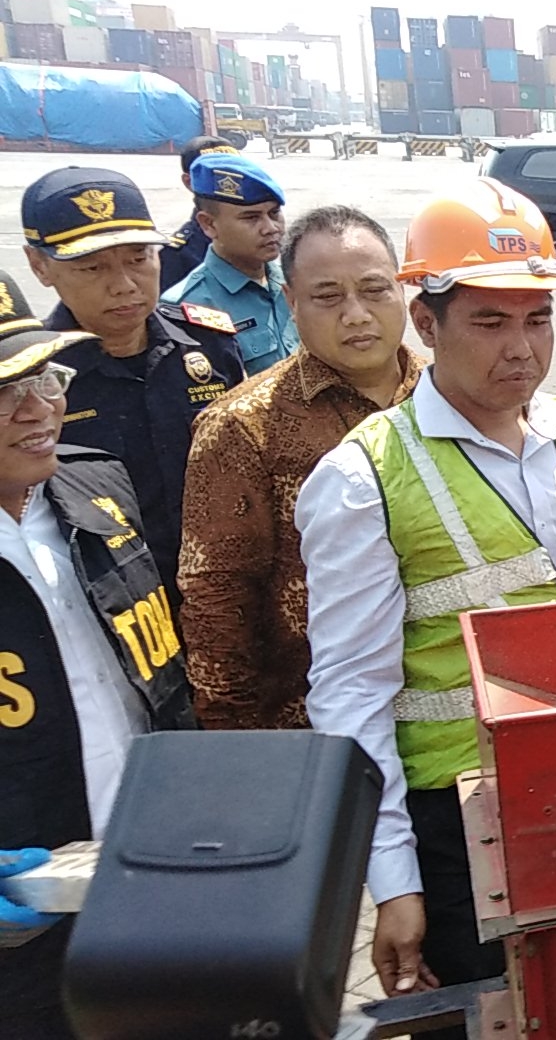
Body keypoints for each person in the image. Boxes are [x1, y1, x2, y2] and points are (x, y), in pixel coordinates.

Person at [298, 179, 556, 1022]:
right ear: (426, 323)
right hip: (463, 829)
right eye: (490, 322)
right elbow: (351, 695)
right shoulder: (363, 478)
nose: (521, 349)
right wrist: (394, 881)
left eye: (537, 318)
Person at [0, 317, 197, 1039]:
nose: (37, 409)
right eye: (4, 394)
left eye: (46, 380)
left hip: (150, 876)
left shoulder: (95, 482)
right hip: (25, 926)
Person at [179, 206, 425, 731]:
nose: (356, 314)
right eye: (328, 296)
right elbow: (217, 603)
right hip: (314, 728)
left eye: (375, 289)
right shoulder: (243, 429)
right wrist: (242, 747)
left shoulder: (447, 400)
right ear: (291, 302)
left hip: (449, 720)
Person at [21, 167, 245, 600]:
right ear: (39, 266)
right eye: (92, 267)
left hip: (220, 593)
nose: (124, 286)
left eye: (140, 259)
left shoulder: (210, 346)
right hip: (109, 606)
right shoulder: (32, 385)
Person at [161, 151, 298, 373]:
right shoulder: (187, 307)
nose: (271, 228)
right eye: (251, 217)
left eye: (274, 213)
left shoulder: (295, 280)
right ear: (208, 225)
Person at [157, 136, 239, 292]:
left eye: (236, 173)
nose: (230, 183)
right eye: (215, 176)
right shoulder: (178, 255)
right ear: (188, 181)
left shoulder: (263, 233)